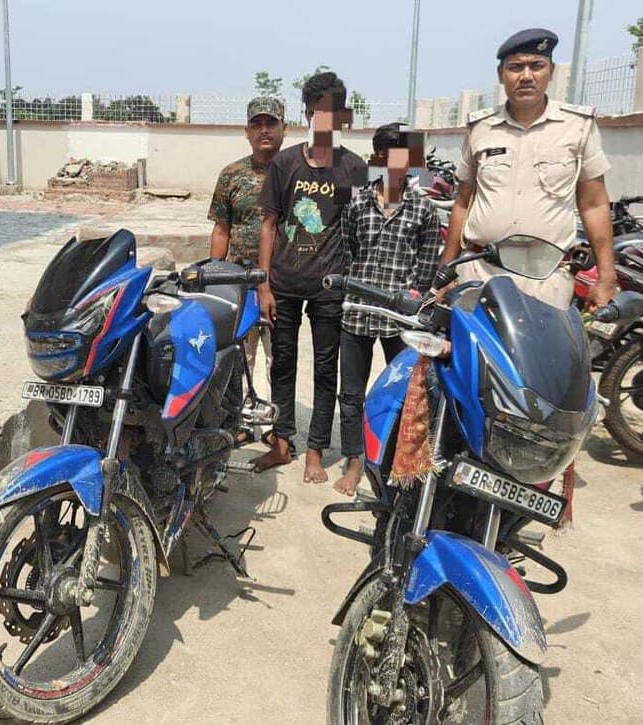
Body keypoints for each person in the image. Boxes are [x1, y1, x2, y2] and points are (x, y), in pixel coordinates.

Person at [441, 28, 616, 309]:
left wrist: (606, 277)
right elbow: (463, 202)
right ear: (501, 75)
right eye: (515, 67)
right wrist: (446, 270)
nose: (526, 76)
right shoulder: (480, 128)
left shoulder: (577, 127)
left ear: (551, 72)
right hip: (480, 272)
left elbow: (594, 205)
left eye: (536, 66)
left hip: (546, 279)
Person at [252, 71, 367, 482]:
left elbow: (360, 229)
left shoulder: (353, 168)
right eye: (319, 112)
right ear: (307, 115)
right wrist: (264, 284)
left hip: (329, 288)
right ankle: (282, 441)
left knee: (325, 368)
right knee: (282, 364)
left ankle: (315, 449)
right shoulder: (285, 163)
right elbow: (269, 225)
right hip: (283, 284)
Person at [334, 124, 440, 496]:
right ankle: (354, 460)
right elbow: (348, 250)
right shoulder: (357, 202)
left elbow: (427, 266)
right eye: (388, 153)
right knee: (351, 394)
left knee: (406, 393)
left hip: (401, 320)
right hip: (358, 312)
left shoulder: (424, 208)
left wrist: (413, 299)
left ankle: (397, 459)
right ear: (378, 157)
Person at [208, 96, 286, 379]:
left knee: (280, 364)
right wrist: (213, 278)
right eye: (257, 124)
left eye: (271, 123)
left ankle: (277, 409)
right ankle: (242, 408)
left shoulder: (294, 173)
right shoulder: (231, 175)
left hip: (281, 285)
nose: (264, 130)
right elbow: (221, 230)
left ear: (284, 128)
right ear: (247, 132)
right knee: (239, 362)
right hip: (239, 284)